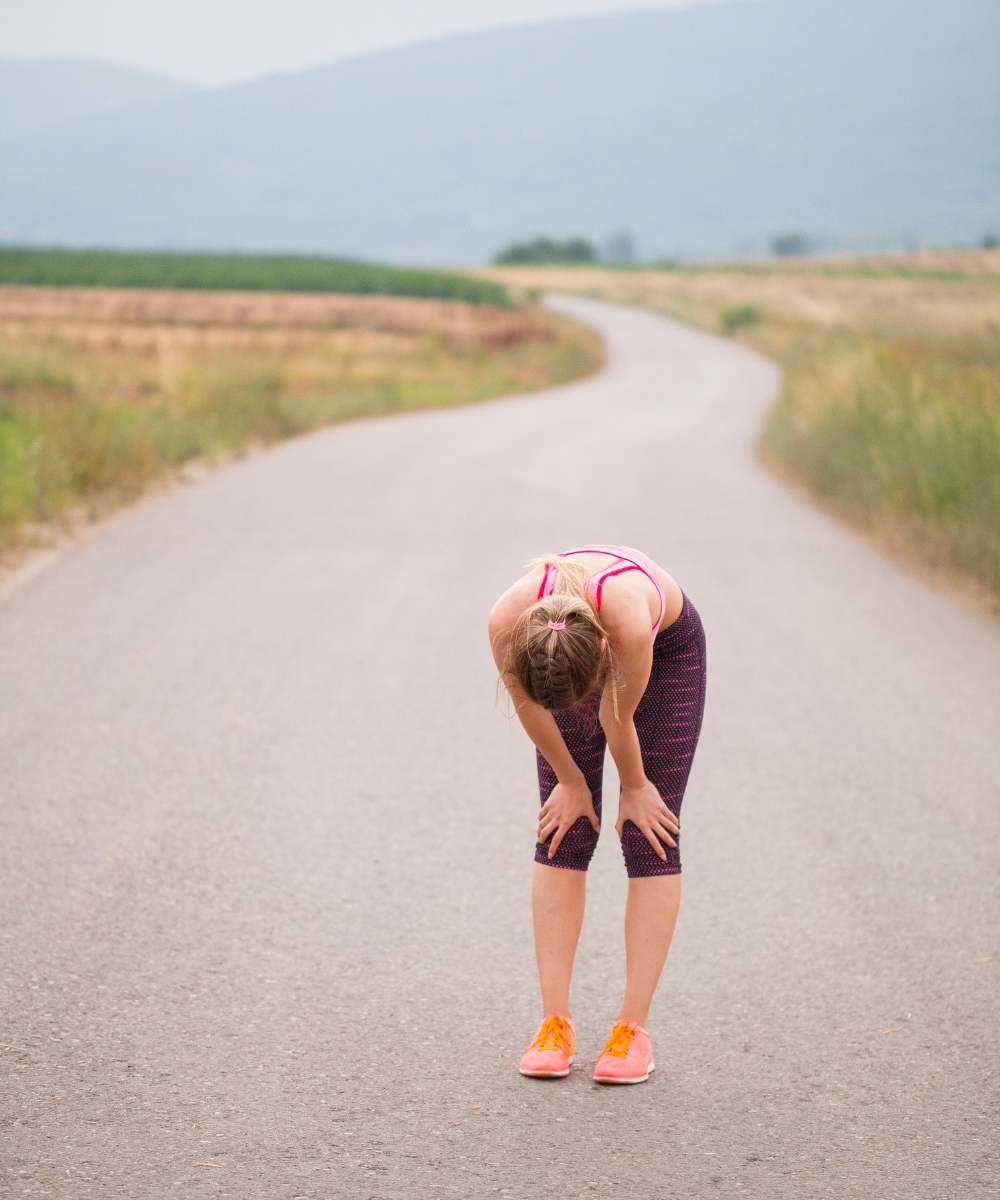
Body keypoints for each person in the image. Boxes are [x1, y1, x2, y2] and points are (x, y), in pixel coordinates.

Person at [487, 544, 707, 1084]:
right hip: (576, 646)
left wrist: (635, 787)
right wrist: (569, 782)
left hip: (667, 652)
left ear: (602, 656)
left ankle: (632, 1030)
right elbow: (527, 705)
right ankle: (553, 1023)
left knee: (648, 831)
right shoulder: (506, 621)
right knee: (564, 828)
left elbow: (615, 716)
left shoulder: (629, 627)